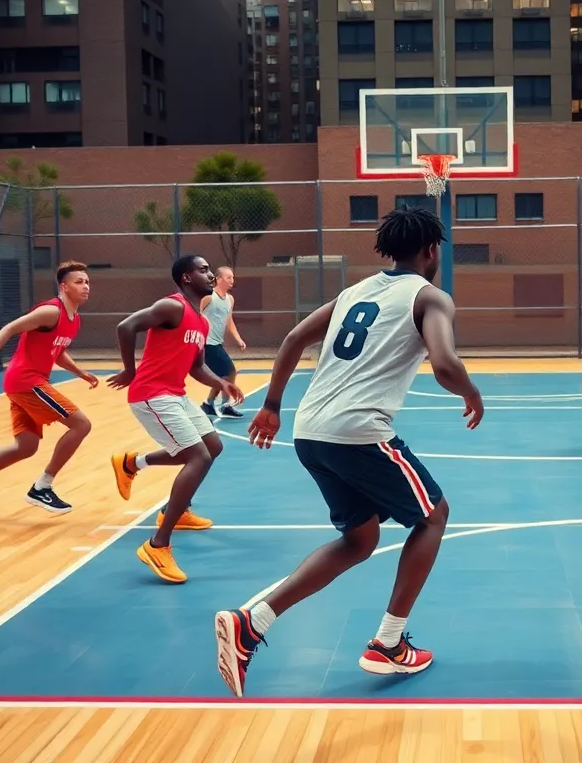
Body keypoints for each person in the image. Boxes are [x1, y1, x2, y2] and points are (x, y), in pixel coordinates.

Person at [212, 205, 483, 699]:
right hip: (358, 431)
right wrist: (471, 391)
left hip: (310, 431)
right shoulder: (431, 297)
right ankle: (388, 642)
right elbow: (445, 363)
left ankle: (253, 622)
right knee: (433, 517)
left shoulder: (354, 292)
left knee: (359, 540)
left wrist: (272, 405)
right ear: (431, 251)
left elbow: (293, 338)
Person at [108, 255, 245, 585]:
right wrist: (130, 370)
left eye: (210, 269)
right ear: (186, 277)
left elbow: (196, 367)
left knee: (213, 447)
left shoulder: (200, 321)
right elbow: (126, 326)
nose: (210, 274)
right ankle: (158, 545)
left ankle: (135, 466)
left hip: (175, 394)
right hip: (151, 394)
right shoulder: (172, 307)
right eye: (203, 270)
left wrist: (222, 383)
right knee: (197, 456)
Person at [0, 262, 96, 521]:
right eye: (79, 282)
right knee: (81, 425)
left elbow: (57, 351)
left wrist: (80, 372)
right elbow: (10, 328)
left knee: (26, 447)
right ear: (64, 286)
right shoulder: (50, 311)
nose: (85, 286)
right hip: (26, 381)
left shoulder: (74, 320)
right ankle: (42, 487)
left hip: (23, 384)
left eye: (87, 282)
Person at [200, 266, 247, 419]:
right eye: (228, 277)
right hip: (206, 343)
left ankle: (208, 404)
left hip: (216, 343)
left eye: (232, 277)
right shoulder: (208, 297)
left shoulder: (229, 299)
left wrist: (238, 338)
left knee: (221, 375)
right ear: (218, 279)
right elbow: (194, 315)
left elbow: (229, 320)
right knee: (230, 371)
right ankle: (225, 405)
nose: (232, 280)